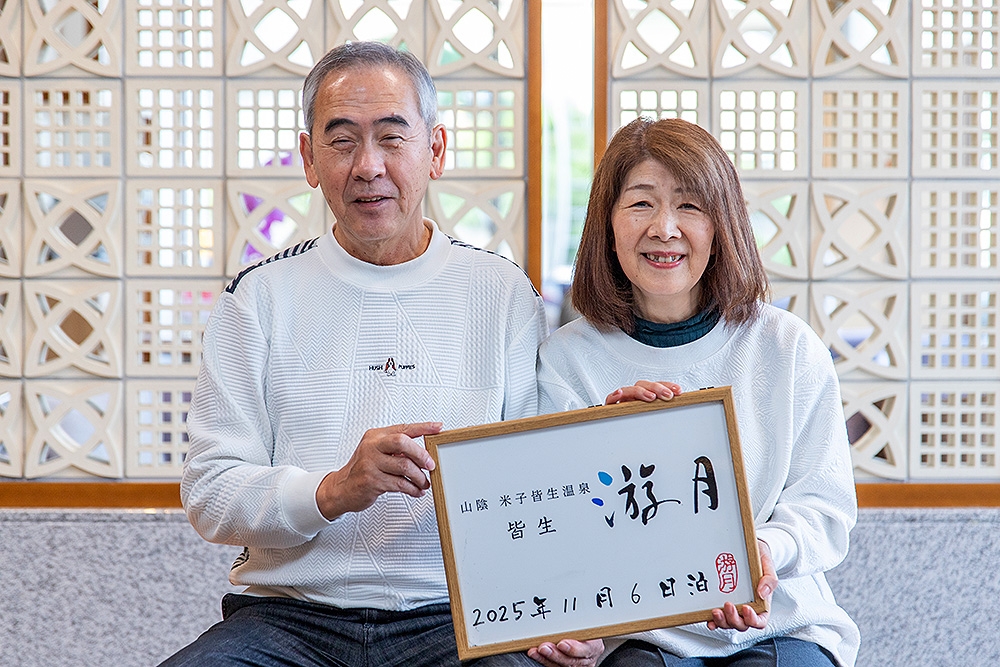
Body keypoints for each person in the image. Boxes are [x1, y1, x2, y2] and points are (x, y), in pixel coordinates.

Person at [161, 42, 602, 667]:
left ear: (436, 150)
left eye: (392, 138)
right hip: (289, 618)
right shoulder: (258, 298)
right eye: (342, 141)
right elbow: (211, 492)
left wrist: (567, 613)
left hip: (458, 620)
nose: (368, 166)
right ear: (309, 159)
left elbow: (544, 479)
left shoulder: (503, 293)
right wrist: (334, 490)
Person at [536, 117, 860, 667]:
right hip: (642, 633)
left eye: (689, 205)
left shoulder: (787, 347)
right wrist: (604, 442)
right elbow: (556, 521)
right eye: (641, 204)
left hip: (781, 621)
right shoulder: (567, 359)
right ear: (607, 223)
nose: (664, 228)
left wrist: (759, 552)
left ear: (722, 223)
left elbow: (824, 508)